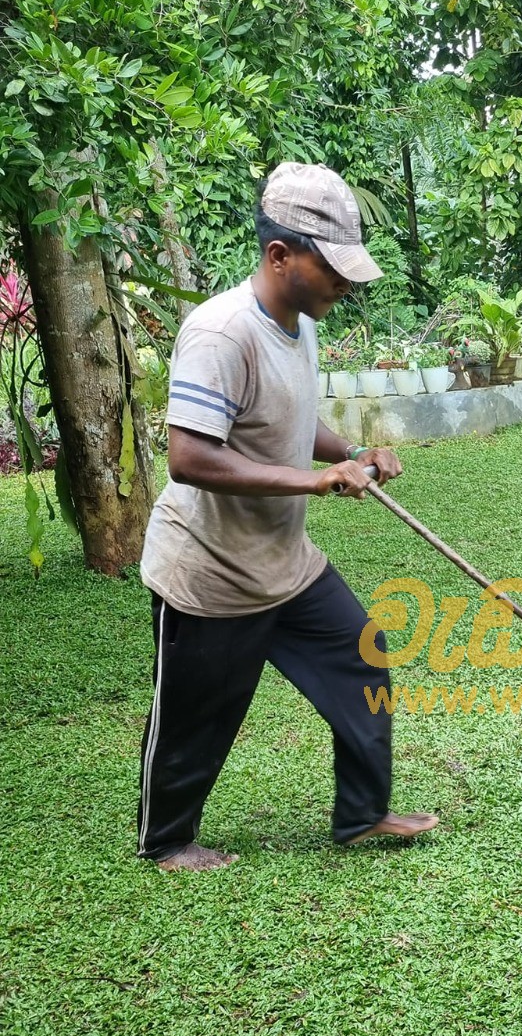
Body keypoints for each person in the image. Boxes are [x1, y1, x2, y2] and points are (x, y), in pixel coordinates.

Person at [137, 161, 438, 871]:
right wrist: (313, 483)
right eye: (333, 270)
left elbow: (297, 423)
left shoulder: (299, 324)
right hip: (208, 572)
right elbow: (190, 459)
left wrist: (355, 452)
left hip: (284, 563)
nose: (345, 285)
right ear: (280, 256)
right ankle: (167, 840)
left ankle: (362, 815)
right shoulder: (219, 334)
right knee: (197, 718)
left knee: (361, 655)